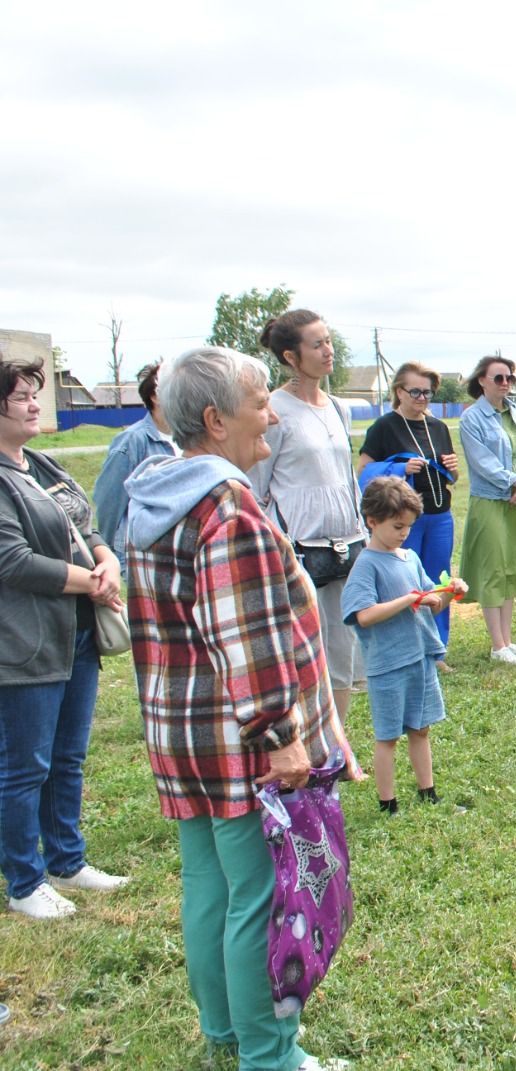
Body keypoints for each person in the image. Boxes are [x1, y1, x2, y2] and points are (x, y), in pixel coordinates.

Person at [124, 345, 348, 1071]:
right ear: (216, 420)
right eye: (259, 401)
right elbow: (245, 632)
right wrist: (281, 736)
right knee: (261, 895)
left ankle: (224, 1027)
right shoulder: (227, 504)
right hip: (242, 739)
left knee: (210, 884)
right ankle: (268, 1053)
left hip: (181, 731)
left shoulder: (157, 487)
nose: (272, 412)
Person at [1, 356, 129, 920]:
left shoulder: (42, 464)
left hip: (75, 635)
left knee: (68, 757)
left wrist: (108, 562)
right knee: (26, 765)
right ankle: (24, 881)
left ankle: (66, 860)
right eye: (22, 395)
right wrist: (93, 584)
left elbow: (89, 525)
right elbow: (13, 561)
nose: (34, 403)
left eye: (36, 392)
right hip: (24, 644)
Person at [249, 310, 365, 726]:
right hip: (298, 551)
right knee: (301, 655)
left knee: (343, 651)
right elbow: (257, 486)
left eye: (328, 340)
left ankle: (336, 745)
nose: (328, 350)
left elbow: (345, 476)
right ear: (291, 357)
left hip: (346, 545)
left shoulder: (338, 407)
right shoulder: (274, 412)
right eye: (316, 345)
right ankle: (303, 743)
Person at [342, 477, 464, 814]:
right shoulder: (366, 565)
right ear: (372, 521)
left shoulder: (409, 557)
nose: (404, 533)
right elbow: (363, 615)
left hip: (419, 659)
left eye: (408, 526)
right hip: (388, 665)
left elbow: (431, 601)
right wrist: (406, 600)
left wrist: (451, 591)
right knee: (388, 736)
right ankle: (388, 802)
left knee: (421, 728)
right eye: (397, 526)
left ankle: (428, 791)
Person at [356, 361, 460, 664]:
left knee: (438, 580)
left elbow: (450, 477)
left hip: (440, 516)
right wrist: (401, 468)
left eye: (428, 393)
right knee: (405, 582)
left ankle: (437, 649)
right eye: (415, 391)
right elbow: (363, 472)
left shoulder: (438, 426)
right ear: (399, 391)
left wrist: (453, 472)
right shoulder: (384, 427)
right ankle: (411, 648)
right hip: (404, 520)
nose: (422, 398)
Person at [459, 356, 516, 664]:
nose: (505, 383)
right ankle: (497, 646)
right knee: (493, 569)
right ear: (481, 380)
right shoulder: (472, 418)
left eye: (509, 377)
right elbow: (483, 464)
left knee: (511, 570)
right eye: (498, 378)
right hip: (490, 503)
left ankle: (507, 640)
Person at [93, 361, 177, 568]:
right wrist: (109, 552)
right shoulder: (132, 441)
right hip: (141, 554)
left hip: (176, 550)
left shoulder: (191, 437)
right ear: (155, 396)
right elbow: (109, 499)